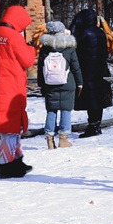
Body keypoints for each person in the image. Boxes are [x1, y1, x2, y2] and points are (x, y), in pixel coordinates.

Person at [0, 4, 38, 178]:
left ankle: (17, 161)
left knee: (11, 126)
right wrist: (32, 48)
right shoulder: (12, 37)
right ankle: (6, 165)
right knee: (10, 126)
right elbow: (28, 61)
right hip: (11, 86)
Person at [37, 19, 78, 148]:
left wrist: (41, 84)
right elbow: (76, 67)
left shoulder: (45, 48)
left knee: (51, 110)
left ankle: (49, 138)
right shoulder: (69, 47)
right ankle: (63, 139)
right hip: (67, 82)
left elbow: (40, 68)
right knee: (66, 110)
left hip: (49, 83)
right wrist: (80, 82)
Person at [71, 7, 112, 137]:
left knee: (91, 99)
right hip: (100, 68)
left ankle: (93, 126)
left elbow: (76, 48)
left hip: (87, 69)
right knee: (98, 97)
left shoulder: (83, 33)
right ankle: (96, 124)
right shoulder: (100, 33)